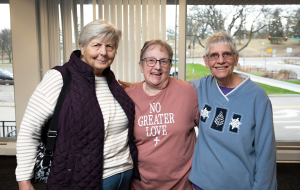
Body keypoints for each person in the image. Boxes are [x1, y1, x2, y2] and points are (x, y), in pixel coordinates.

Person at [16, 19, 140, 190]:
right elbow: (29, 131)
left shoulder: (112, 82)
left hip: (124, 176)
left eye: (110, 47)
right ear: (82, 46)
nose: (103, 52)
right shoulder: (59, 77)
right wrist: (24, 180)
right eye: (96, 45)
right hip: (84, 181)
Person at [189, 31, 277, 190]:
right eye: (214, 55)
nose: (220, 61)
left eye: (226, 54)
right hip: (201, 184)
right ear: (206, 61)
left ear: (236, 58)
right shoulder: (199, 87)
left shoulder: (257, 97)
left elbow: (266, 154)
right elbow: (167, 87)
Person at [124, 39, 199, 189]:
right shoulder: (127, 97)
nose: (157, 67)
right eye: (150, 60)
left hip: (182, 186)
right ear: (141, 65)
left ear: (170, 65)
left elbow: (210, 135)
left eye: (163, 61)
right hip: (140, 186)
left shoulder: (188, 92)